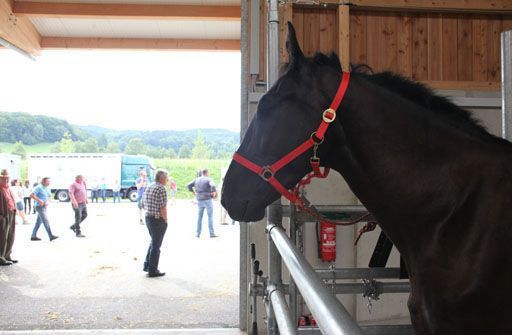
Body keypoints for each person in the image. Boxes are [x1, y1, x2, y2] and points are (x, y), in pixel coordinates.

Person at [142, 169, 169, 278]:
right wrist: (165, 220)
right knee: (156, 246)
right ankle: (153, 270)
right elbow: (163, 207)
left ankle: (147, 265)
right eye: (166, 178)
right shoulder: (161, 188)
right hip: (157, 220)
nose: (167, 180)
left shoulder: (150, 186)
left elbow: (143, 204)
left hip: (148, 217)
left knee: (153, 242)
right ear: (162, 179)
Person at [187, 169, 218, 238]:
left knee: (199, 217)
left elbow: (189, 185)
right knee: (210, 216)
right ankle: (211, 233)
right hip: (207, 199)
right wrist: (214, 192)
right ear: (206, 173)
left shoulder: (196, 179)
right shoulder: (209, 179)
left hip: (199, 199)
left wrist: (193, 192)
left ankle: (198, 233)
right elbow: (213, 185)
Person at [30, 177, 58, 241]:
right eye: (47, 181)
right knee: (45, 221)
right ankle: (50, 236)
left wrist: (47, 201)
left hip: (44, 207)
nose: (49, 183)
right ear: (43, 181)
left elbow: (49, 196)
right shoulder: (38, 187)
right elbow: (31, 195)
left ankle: (33, 236)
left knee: (38, 222)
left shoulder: (47, 188)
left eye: (49, 181)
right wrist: (39, 200)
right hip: (39, 207)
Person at [0, 169, 17, 265]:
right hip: (3, 215)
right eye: (3, 178)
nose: (5, 180)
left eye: (7, 178)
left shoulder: (8, 188)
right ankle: (1, 258)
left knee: (11, 236)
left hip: (11, 213)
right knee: (2, 237)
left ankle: (7, 255)